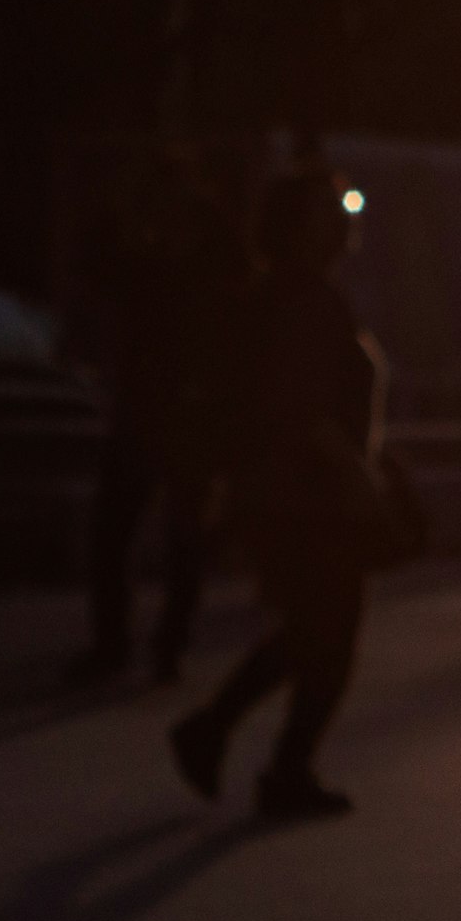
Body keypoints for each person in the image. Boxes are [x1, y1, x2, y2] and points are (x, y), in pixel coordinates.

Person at [169, 167, 394, 821]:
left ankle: (220, 737)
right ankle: (277, 766)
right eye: (329, 210)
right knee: (329, 638)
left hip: (291, 495)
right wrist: (356, 472)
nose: (344, 219)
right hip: (310, 499)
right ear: (299, 227)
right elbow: (299, 408)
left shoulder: (294, 295)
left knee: (309, 634)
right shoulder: (302, 302)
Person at [71, 148, 251, 686]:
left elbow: (102, 265)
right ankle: (149, 644)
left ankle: (139, 644)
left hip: (170, 413)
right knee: (165, 535)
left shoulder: (185, 265)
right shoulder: (180, 263)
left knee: (158, 535)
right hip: (170, 413)